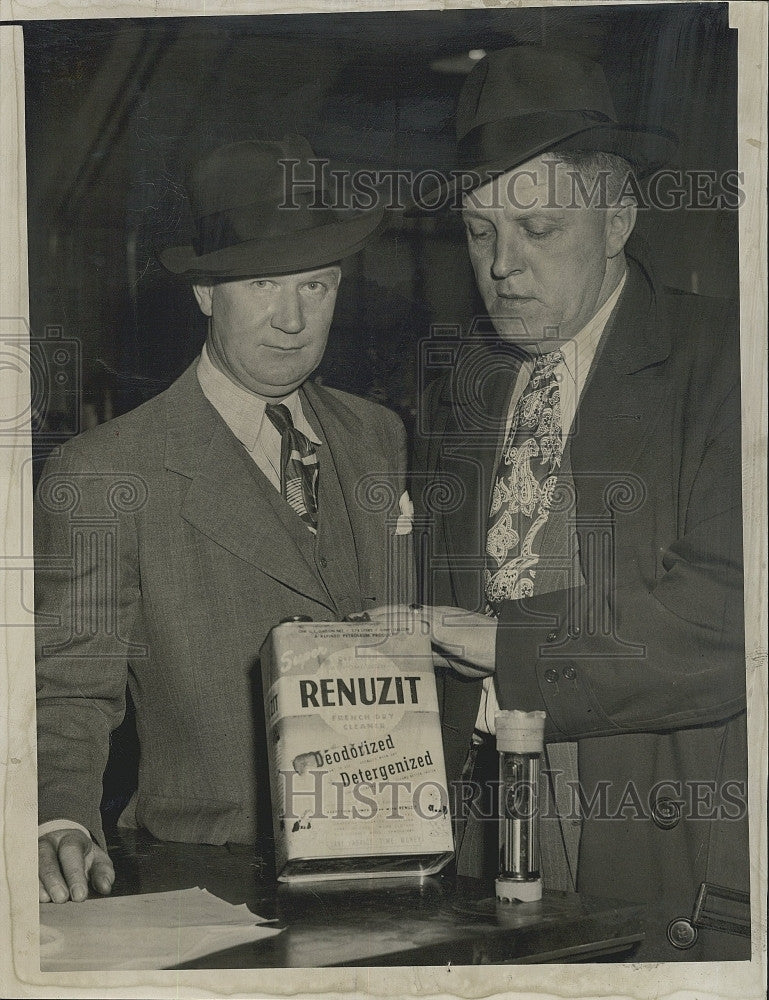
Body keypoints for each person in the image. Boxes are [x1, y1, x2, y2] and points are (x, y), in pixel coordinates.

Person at [393, 46, 748, 961]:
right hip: (478, 866)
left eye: (539, 229)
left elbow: (728, 619)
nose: (502, 267)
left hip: (659, 853)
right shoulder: (452, 386)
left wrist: (506, 649)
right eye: (479, 233)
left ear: (618, 216)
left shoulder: (728, 368)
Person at [36, 137, 414, 904]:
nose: (291, 318)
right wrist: (56, 819)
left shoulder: (378, 435)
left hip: (392, 852)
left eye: (315, 286)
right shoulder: (105, 470)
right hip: (208, 870)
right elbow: (67, 687)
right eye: (263, 283)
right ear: (206, 293)